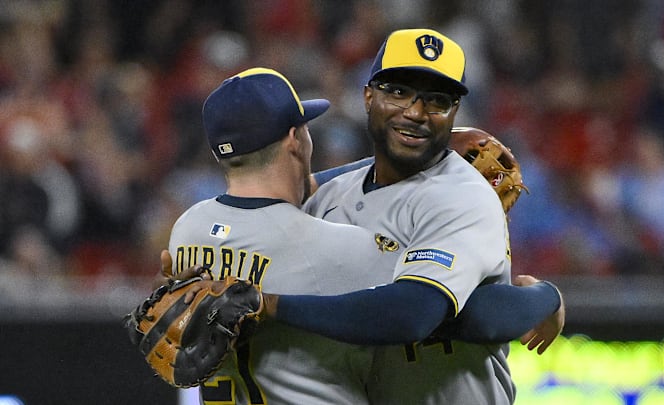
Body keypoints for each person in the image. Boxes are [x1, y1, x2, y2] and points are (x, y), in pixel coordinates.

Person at [161, 29, 564, 405]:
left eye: (437, 100)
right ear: (368, 96)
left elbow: (416, 313)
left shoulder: (463, 197)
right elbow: (282, 193)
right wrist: (539, 299)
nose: (416, 111)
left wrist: (542, 299)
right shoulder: (329, 196)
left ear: (456, 110)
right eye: (399, 92)